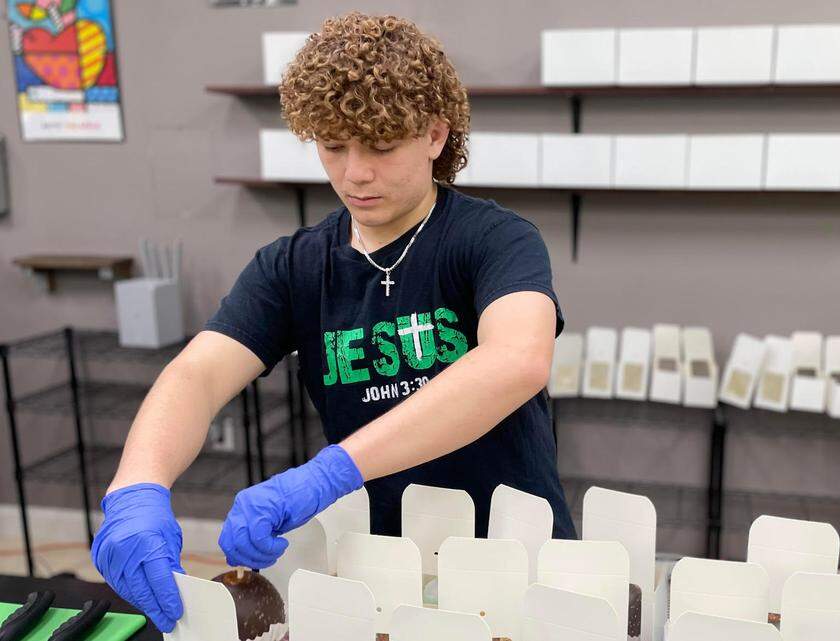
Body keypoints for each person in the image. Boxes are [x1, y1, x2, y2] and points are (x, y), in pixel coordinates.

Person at [90, 13, 574, 632]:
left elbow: (516, 361)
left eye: (380, 145)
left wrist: (330, 471)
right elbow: (198, 375)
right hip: (380, 567)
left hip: (515, 563)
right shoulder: (293, 267)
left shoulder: (495, 240)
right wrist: (137, 486)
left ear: (434, 135)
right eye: (333, 145)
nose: (354, 174)